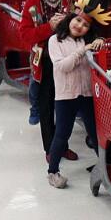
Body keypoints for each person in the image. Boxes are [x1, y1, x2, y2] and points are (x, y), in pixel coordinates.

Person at [20, 0, 80, 155]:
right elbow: (25, 36)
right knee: (46, 105)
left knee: (66, 105)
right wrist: (49, 28)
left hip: (68, 59)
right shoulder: (32, 2)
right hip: (45, 61)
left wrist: (69, 25)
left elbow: (84, 26)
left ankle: (62, 145)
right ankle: (50, 149)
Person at [45, 12, 104, 189]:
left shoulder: (86, 42)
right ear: (70, 19)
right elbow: (63, 66)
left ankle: (105, 167)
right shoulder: (55, 40)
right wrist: (82, 50)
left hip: (86, 94)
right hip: (65, 95)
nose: (80, 26)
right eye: (78, 20)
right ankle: (52, 171)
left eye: (85, 25)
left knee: (95, 133)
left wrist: (100, 41)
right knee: (62, 134)